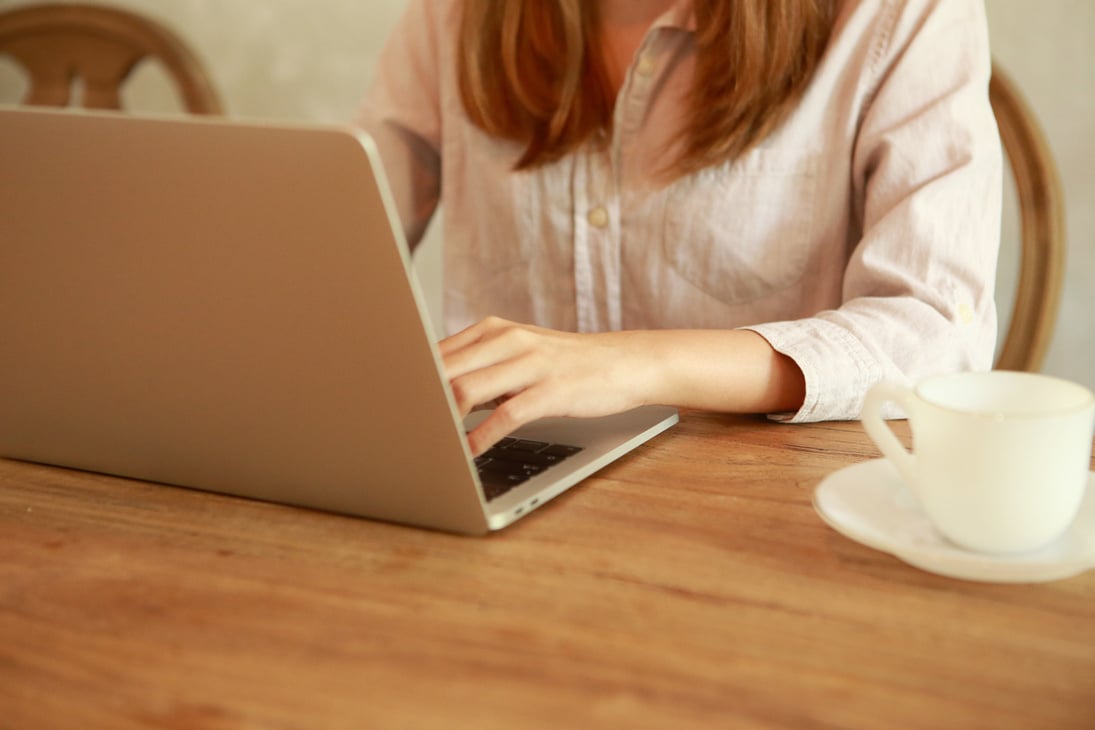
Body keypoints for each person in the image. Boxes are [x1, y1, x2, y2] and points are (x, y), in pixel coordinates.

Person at [355, 0, 1002, 456]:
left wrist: (630, 364)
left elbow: (939, 334)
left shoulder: (901, 14)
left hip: (773, 499)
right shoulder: (454, 15)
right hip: (505, 465)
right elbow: (335, 244)